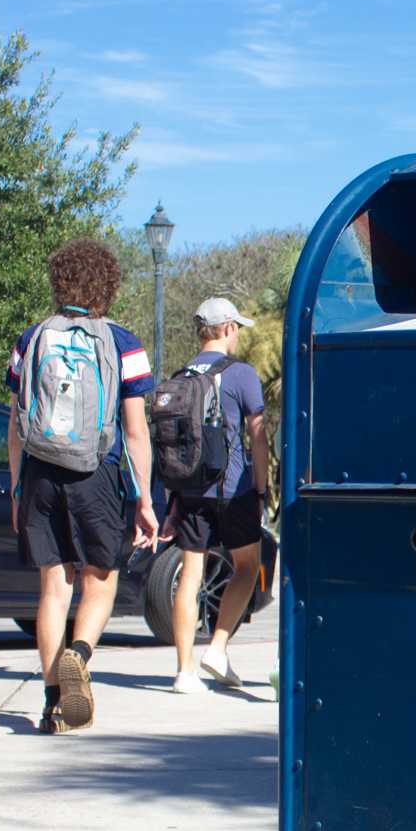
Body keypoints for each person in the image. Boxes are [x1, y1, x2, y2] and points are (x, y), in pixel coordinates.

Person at [7, 238, 158, 734]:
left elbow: (15, 424)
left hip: (40, 473)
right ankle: (80, 652)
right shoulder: (124, 344)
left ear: (59, 281)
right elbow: (136, 431)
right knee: (100, 582)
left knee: (53, 589)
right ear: (108, 286)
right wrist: (145, 499)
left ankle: (53, 703)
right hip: (97, 474)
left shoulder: (31, 338)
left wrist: (15, 489)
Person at [162, 297, 269, 694]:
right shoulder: (241, 374)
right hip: (233, 487)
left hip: (190, 490)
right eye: (237, 327)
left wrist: (174, 499)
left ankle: (184, 670)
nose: (238, 334)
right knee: (246, 566)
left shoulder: (181, 375)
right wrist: (261, 487)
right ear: (226, 328)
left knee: (191, 574)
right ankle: (218, 647)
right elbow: (257, 435)